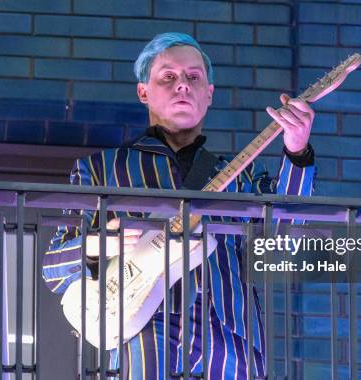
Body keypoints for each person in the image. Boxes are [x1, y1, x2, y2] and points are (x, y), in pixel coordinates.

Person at [42, 32, 315, 379]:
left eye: (193, 77)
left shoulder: (243, 175)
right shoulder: (100, 170)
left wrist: (297, 153)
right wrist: (99, 242)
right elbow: (53, 268)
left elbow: (283, 247)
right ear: (144, 92)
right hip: (143, 324)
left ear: (209, 94)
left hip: (230, 332)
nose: (182, 85)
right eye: (168, 76)